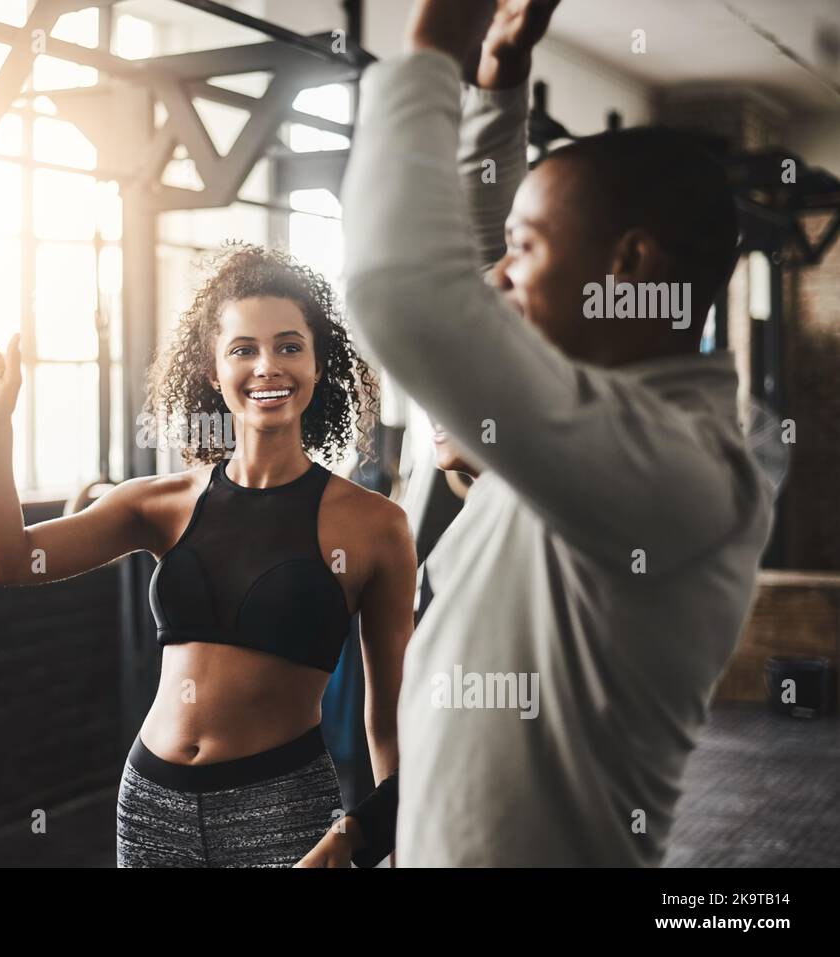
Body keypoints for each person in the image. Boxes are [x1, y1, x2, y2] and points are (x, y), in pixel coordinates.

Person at [341, 0, 774, 865]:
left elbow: (412, 292)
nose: (502, 271)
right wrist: (495, 78)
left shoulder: (678, 467)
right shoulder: (609, 430)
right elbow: (466, 268)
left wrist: (430, 52)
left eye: (529, 247)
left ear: (628, 267)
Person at [0, 244, 415, 867]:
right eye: (243, 349)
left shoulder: (377, 527)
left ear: (319, 364)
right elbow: (10, 559)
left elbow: (390, 725)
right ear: (214, 369)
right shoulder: (160, 504)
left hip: (285, 813)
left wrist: (371, 839)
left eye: (289, 346)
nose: (268, 366)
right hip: (153, 805)